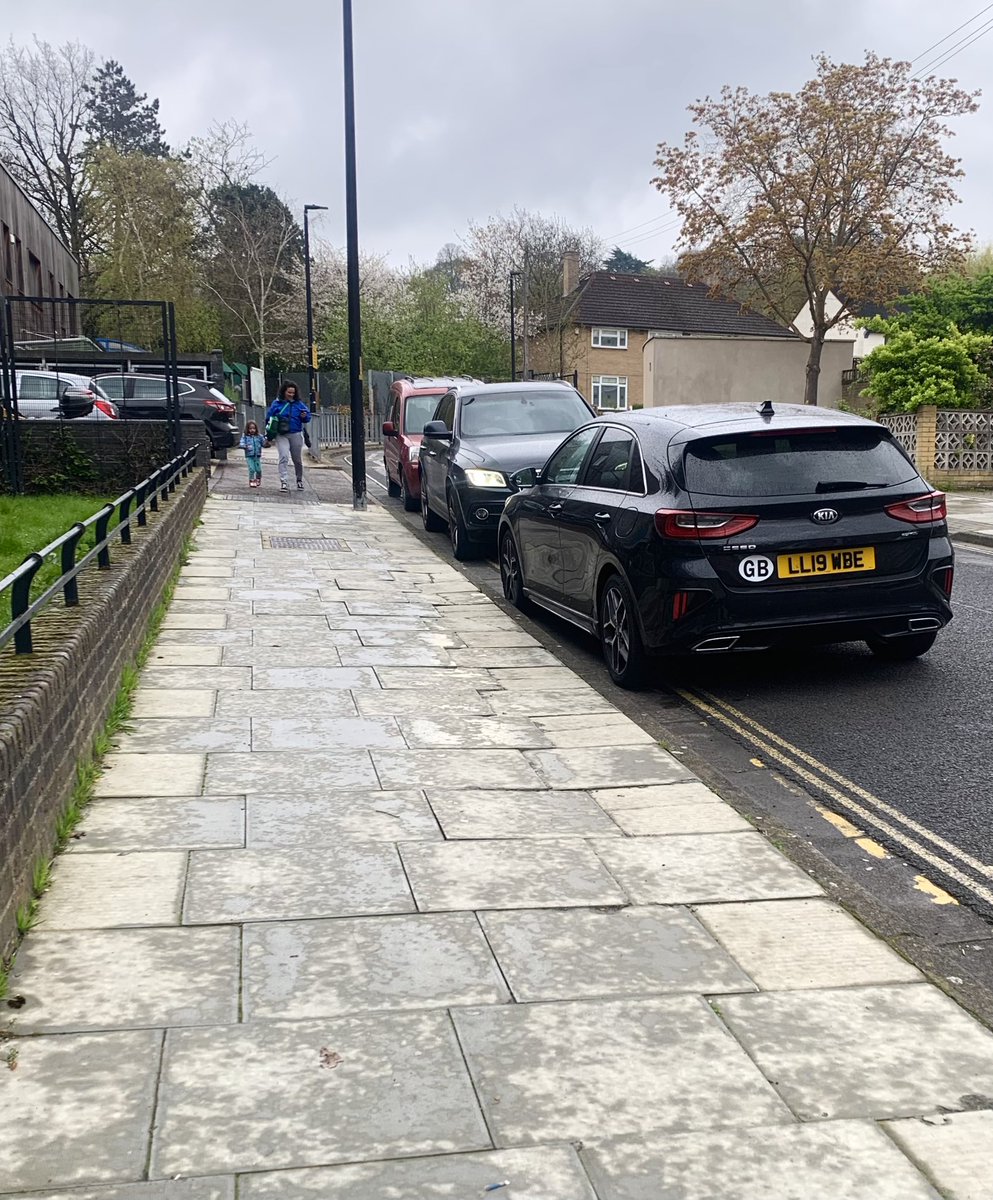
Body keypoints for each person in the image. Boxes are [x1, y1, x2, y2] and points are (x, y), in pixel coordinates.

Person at [265, 382, 312, 491]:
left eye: (293, 393)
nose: (291, 394)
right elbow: (269, 418)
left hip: (295, 433)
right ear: (284, 392)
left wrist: (304, 416)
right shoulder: (277, 404)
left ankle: (299, 479)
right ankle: (284, 481)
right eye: (289, 392)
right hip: (281, 434)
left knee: (297, 459)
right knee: (284, 456)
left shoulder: (299, 404)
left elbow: (307, 417)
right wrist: (268, 434)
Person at [239, 421, 264, 488]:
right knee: (251, 469)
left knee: (258, 469)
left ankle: (258, 478)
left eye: (253, 428)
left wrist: (266, 443)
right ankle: (252, 480)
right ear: (247, 429)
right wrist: (244, 446)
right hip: (249, 455)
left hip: (257, 455)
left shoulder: (259, 436)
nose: (252, 430)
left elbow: (263, 442)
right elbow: (241, 442)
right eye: (250, 429)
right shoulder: (245, 437)